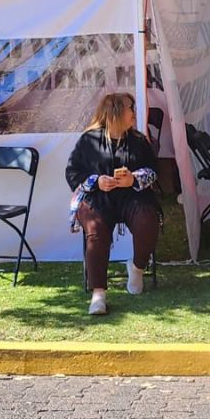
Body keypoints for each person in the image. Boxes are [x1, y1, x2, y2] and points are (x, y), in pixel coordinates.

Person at [65, 92, 161, 314]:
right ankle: (98, 293)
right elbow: (72, 172)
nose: (134, 113)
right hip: (98, 197)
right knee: (95, 230)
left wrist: (133, 179)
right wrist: (97, 181)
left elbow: (153, 170)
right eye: (130, 108)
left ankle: (136, 267)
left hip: (133, 196)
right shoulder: (88, 140)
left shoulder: (138, 140)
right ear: (117, 111)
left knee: (148, 220)